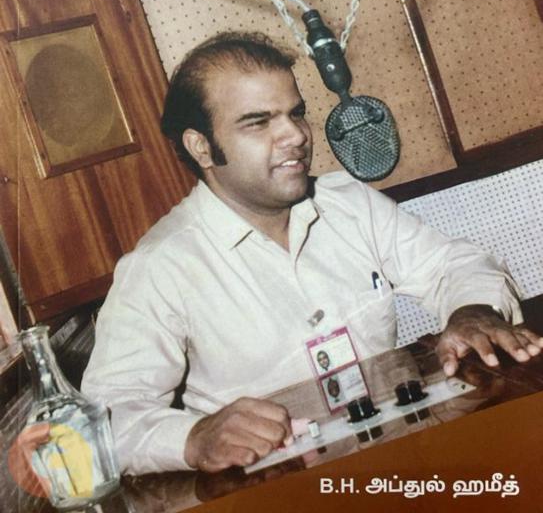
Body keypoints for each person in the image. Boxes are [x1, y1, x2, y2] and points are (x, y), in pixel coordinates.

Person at [82, 32, 543, 475]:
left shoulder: (349, 203)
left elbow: (453, 265)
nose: (296, 135)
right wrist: (193, 438)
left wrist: (472, 311)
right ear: (202, 147)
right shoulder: (159, 266)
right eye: (258, 122)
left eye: (296, 113)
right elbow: (102, 424)